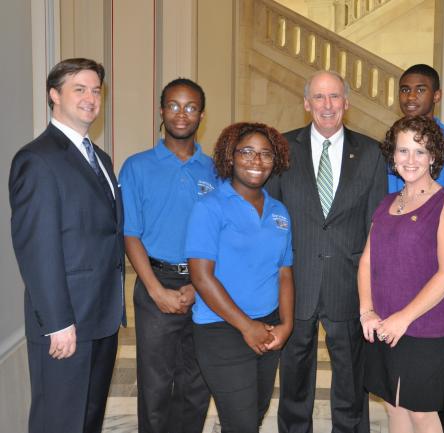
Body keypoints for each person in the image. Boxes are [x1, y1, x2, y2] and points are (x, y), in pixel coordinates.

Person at [266, 70, 387, 433]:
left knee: (351, 383)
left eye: (334, 97)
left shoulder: (371, 153)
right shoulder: (282, 150)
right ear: (306, 103)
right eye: (319, 97)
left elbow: (375, 228)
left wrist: (373, 293)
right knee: (293, 382)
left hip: (347, 285)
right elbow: (271, 218)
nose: (327, 105)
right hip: (295, 282)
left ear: (346, 103)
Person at [9, 58, 124, 433]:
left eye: (96, 90)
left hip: (101, 317)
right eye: (80, 88)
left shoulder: (101, 159)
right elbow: (36, 249)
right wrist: (58, 322)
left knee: (87, 420)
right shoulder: (37, 160)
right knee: (59, 422)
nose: (91, 98)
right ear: (54, 95)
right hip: (66, 324)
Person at [358, 115, 444, 433]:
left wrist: (404, 318)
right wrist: (367, 310)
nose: (411, 160)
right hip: (384, 323)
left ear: (433, 156)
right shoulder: (387, 202)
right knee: (395, 407)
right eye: (403, 150)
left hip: (423, 327)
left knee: (420, 411)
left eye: (420, 152)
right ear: (393, 155)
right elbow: (367, 260)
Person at [185, 122, 294, 433]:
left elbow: (285, 271)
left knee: (253, 415)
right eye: (247, 152)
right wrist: (247, 326)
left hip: (268, 326)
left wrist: (285, 325)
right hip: (221, 331)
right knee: (242, 423)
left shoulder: (279, 212)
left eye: (265, 154)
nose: (256, 161)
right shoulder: (210, 207)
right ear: (230, 157)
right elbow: (201, 277)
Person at [119, 78, 214, 433]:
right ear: (161, 111)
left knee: (197, 382)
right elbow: (130, 234)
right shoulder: (137, 166)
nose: (181, 114)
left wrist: (197, 286)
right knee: (156, 386)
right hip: (154, 282)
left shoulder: (215, 169)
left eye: (190, 107)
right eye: (173, 105)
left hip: (204, 286)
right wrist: (157, 291)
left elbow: (221, 234)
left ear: (201, 115)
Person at [389, 64, 444, 433]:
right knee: (401, 384)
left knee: (441, 381)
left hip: (442, 280)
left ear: (436, 96)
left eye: (420, 89)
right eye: (405, 89)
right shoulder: (394, 141)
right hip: (401, 280)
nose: (411, 97)